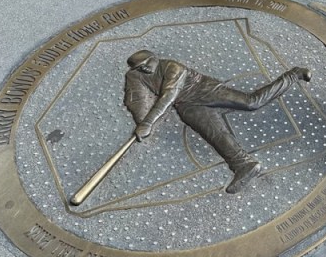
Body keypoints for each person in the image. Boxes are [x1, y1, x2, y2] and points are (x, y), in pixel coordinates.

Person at [123, 50, 311, 194]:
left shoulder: (173, 67)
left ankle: (293, 74)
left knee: (252, 102)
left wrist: (148, 123)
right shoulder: (135, 75)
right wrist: (141, 122)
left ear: (154, 58)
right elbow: (136, 99)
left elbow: (169, 95)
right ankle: (245, 165)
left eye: (146, 64)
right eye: (139, 67)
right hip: (186, 105)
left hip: (204, 89)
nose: (144, 68)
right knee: (215, 133)